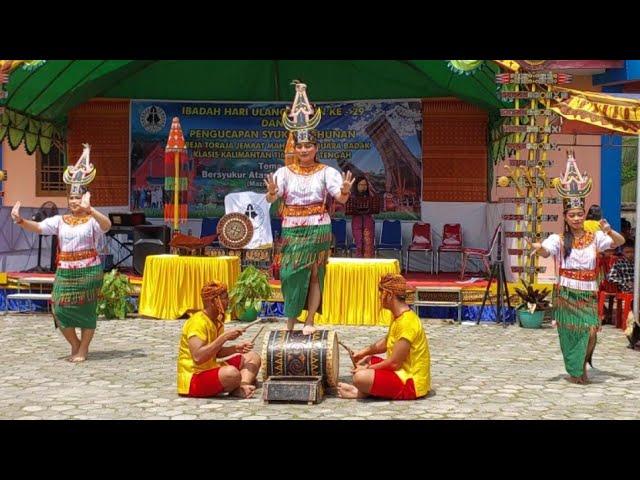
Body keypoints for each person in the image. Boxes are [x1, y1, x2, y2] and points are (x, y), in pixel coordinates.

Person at [264, 81, 354, 335]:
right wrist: (271, 193)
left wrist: (345, 190)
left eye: (308, 146)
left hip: (318, 228)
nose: (303, 150)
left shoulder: (327, 172)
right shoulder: (284, 172)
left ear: (316, 148)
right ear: (294, 149)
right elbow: (272, 199)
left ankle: (310, 320)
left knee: (315, 274)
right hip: (292, 229)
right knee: (290, 274)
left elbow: (342, 198)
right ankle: (291, 320)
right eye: (299, 147)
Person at [529, 151, 625, 384]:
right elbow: (546, 251)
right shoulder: (559, 238)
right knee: (571, 333)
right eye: (572, 215)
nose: (576, 218)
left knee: (591, 331)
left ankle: (581, 365)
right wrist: (538, 248)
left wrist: (609, 230)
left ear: (584, 215)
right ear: (566, 217)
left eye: (579, 214)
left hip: (587, 294)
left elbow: (620, 242)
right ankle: (577, 370)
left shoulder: (595, 237)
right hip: (567, 294)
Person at [11, 144, 111, 362]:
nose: (74, 202)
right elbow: (38, 227)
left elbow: (107, 226)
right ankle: (74, 343)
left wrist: (90, 209)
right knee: (58, 308)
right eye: (71, 199)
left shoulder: (92, 219)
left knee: (87, 310)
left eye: (78, 198)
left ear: (85, 198)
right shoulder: (60, 220)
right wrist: (20, 220)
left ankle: (83, 349)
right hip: (65, 272)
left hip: (89, 271)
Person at [337, 273, 430, 400]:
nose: (380, 297)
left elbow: (394, 364)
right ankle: (367, 389)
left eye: (382, 293)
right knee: (365, 360)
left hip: (410, 382)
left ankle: (359, 393)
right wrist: (362, 353)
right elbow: (387, 342)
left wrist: (367, 369)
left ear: (390, 295)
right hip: (401, 372)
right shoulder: (399, 316)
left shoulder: (407, 323)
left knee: (360, 377)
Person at [177, 280, 261, 398]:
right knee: (232, 373)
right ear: (213, 301)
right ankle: (237, 386)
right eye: (225, 298)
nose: (228, 302)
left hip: (211, 367)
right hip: (194, 378)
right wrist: (224, 337)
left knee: (253, 357)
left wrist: (236, 348)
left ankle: (241, 386)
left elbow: (216, 353)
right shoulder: (197, 322)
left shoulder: (217, 321)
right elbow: (198, 357)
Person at [347, 176, 377, 258]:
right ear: (356, 186)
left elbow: (375, 208)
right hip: (357, 223)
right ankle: (360, 266)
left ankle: (369, 267)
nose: (363, 186)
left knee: (368, 245)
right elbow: (349, 210)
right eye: (361, 185)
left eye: (365, 185)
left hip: (368, 223)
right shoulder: (352, 197)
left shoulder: (370, 196)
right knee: (359, 244)